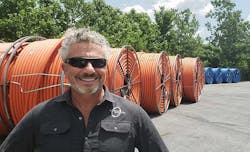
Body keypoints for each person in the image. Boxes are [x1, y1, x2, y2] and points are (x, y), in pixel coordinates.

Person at [0, 28, 169, 152]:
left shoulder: (134, 114)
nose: (89, 70)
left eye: (98, 62)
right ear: (64, 68)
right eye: (78, 62)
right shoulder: (40, 115)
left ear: (105, 68)